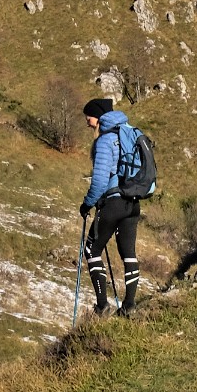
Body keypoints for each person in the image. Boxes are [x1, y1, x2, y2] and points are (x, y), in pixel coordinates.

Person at [80, 98, 142, 316]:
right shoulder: (129, 134)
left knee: (91, 249)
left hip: (113, 203)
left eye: (88, 117)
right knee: (129, 253)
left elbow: (98, 180)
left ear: (97, 117)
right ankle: (130, 306)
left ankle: (102, 305)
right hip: (133, 202)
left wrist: (87, 204)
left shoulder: (105, 140)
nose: (87, 121)